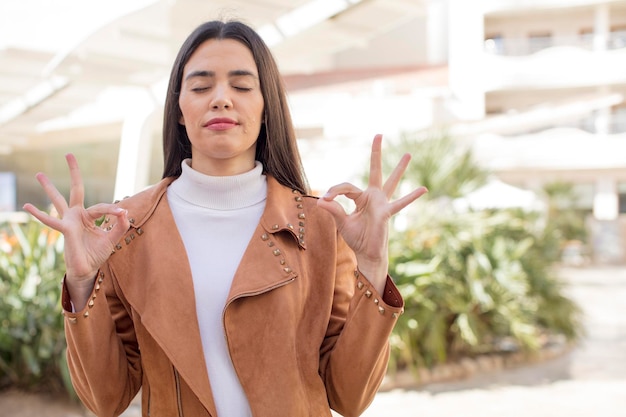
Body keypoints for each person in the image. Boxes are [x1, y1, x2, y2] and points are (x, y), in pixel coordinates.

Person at [23, 19, 427, 417]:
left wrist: (372, 267)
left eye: (242, 85)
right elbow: (106, 399)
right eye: (200, 86)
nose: (221, 99)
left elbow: (349, 396)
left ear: (267, 106)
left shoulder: (321, 224)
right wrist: (81, 282)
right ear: (179, 108)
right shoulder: (127, 229)